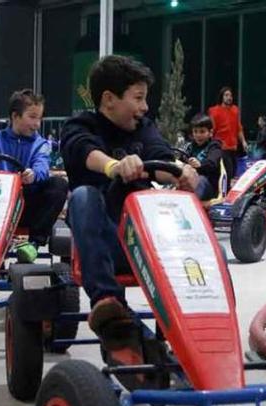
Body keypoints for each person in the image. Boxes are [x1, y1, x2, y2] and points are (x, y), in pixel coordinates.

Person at [60, 55, 199, 386]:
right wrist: (114, 166)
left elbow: (163, 158)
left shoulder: (144, 129)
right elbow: (83, 151)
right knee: (83, 196)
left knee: (195, 228)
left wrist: (182, 172)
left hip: (146, 242)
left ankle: (188, 333)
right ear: (109, 99)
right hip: (104, 243)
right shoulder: (81, 126)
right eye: (138, 98)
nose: (145, 107)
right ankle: (111, 310)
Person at [0, 89, 68, 262]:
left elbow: (42, 165)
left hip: (28, 204)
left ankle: (33, 244)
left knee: (58, 184)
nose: (37, 124)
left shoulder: (40, 144)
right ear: (15, 116)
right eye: (32, 117)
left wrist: (33, 175)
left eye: (39, 118)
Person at [208, 87, 247, 192]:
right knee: (227, 171)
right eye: (226, 95)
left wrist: (243, 142)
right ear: (222, 97)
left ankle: (226, 191)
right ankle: (224, 193)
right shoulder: (214, 111)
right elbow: (212, 128)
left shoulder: (235, 110)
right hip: (221, 146)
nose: (229, 98)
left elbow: (239, 127)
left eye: (230, 95)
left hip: (233, 146)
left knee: (233, 171)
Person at [183, 113, 224, 201]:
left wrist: (200, 165)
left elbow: (212, 163)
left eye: (202, 131)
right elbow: (181, 160)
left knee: (199, 180)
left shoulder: (214, 147)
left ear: (210, 133)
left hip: (209, 186)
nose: (198, 135)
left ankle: (190, 204)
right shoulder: (189, 147)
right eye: (195, 131)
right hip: (191, 182)